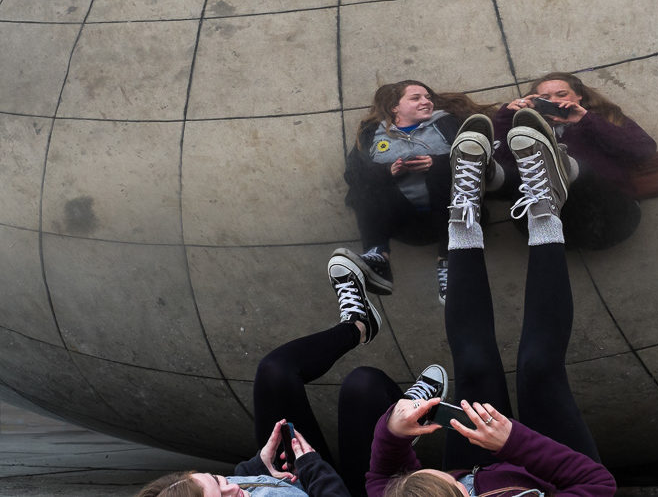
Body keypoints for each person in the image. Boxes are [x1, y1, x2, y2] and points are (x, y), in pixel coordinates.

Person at [365, 111, 618, 497]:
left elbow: (381, 482)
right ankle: (545, 206)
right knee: (539, 369)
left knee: (474, 365)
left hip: (476, 462)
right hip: (556, 474)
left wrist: (392, 435)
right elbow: (598, 487)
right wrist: (510, 441)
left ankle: (463, 211)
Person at [134, 254, 449, 497]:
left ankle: (357, 325)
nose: (233, 486)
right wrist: (314, 471)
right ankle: (412, 412)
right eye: (224, 495)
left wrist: (258, 465)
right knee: (362, 384)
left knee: (273, 373)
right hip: (338, 490)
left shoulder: (231, 486)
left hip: (298, 475)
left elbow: (235, 480)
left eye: (219, 480)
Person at [337, 80, 499, 305]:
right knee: (366, 185)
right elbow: (352, 175)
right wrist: (388, 171)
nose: (426, 102)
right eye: (416, 98)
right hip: (402, 221)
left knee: (441, 172)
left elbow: (481, 163)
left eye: (428, 97)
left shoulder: (446, 123)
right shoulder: (373, 132)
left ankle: (448, 262)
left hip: (450, 217)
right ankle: (378, 259)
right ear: (395, 107)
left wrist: (437, 163)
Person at [493, 72, 656, 250]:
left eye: (561, 95)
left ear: (579, 96)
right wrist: (505, 118)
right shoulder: (523, 129)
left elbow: (643, 150)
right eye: (545, 98)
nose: (553, 101)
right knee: (510, 170)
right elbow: (502, 159)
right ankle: (492, 178)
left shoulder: (602, 118)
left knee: (578, 173)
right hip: (547, 224)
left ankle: (563, 166)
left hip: (612, 215)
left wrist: (585, 120)